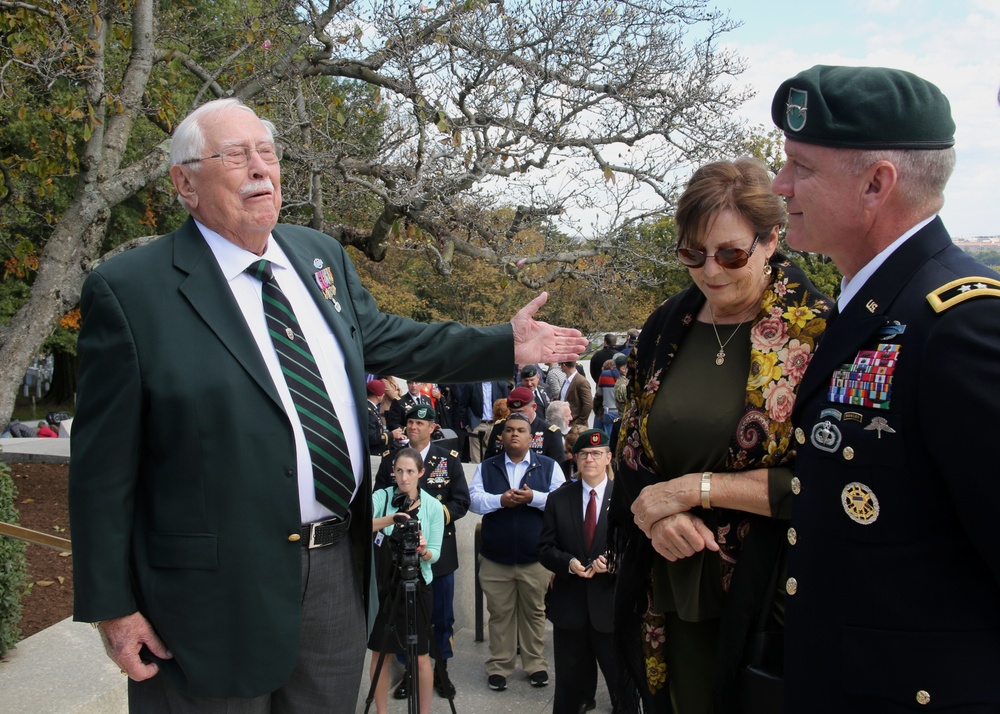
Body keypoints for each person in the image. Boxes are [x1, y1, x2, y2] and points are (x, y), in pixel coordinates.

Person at [67, 97, 587, 712]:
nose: (261, 169)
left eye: (267, 152)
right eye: (236, 155)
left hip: (336, 571)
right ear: (185, 183)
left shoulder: (318, 256)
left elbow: (394, 339)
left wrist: (505, 345)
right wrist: (113, 608)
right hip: (209, 596)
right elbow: (101, 471)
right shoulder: (131, 291)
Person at [769, 65, 1000, 712]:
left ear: (877, 183)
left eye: (801, 168)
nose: (779, 185)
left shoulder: (961, 323)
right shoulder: (870, 305)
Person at [609, 157, 832, 712]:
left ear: (772, 239)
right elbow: (630, 446)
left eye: (732, 253)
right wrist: (659, 515)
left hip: (770, 598)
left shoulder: (818, 334)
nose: (711, 271)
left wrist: (692, 491)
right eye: (693, 253)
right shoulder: (664, 329)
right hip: (670, 584)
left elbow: (827, 480)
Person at [373, 404, 469, 699]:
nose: (413, 427)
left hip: (436, 553)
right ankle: (410, 673)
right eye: (410, 421)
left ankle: (440, 671)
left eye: (420, 423)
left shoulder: (448, 460)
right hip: (397, 557)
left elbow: (461, 501)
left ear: (432, 428)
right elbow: (380, 496)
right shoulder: (392, 459)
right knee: (401, 618)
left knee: (440, 617)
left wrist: (435, 517)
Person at [469, 412, 565, 692]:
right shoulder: (487, 467)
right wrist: (501, 500)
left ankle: (535, 664)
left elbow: (560, 501)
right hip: (495, 556)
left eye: (520, 430)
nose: (514, 434)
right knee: (499, 613)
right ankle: (500, 665)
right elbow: (474, 500)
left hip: (535, 557)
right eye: (509, 430)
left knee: (535, 612)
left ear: (531, 437)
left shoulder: (548, 466)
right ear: (501, 436)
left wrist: (533, 498)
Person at [539, 429, 621, 714]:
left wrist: (614, 561)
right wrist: (568, 563)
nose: (590, 460)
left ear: (608, 457)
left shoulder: (624, 499)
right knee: (568, 691)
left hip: (610, 608)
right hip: (570, 609)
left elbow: (636, 549)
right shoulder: (559, 499)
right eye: (584, 454)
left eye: (597, 454)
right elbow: (545, 549)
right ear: (575, 458)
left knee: (621, 686)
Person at [369, 448, 443, 714]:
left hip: (418, 584)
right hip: (385, 585)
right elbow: (362, 523)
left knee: (421, 655)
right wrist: (393, 518)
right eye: (399, 471)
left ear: (421, 473)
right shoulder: (382, 496)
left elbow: (435, 554)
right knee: (380, 652)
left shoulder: (433, 505)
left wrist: (422, 549)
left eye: (410, 471)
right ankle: (381, 711)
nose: (404, 477)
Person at [483, 386, 564, 462]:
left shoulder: (549, 433)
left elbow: (557, 469)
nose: (517, 416)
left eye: (521, 412)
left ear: (534, 407)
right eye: (513, 413)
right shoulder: (500, 428)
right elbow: (488, 461)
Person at [559, 360, 593, 427]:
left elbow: (588, 404)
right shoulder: (567, 380)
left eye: (560, 365)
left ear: (564, 366)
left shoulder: (581, 381)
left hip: (575, 426)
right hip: (565, 423)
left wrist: (579, 423)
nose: (559, 367)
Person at [366, 379, 394, 458]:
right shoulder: (369, 411)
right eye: (383, 393)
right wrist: (391, 435)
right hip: (374, 454)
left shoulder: (371, 408)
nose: (383, 395)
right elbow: (372, 438)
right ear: (378, 396)